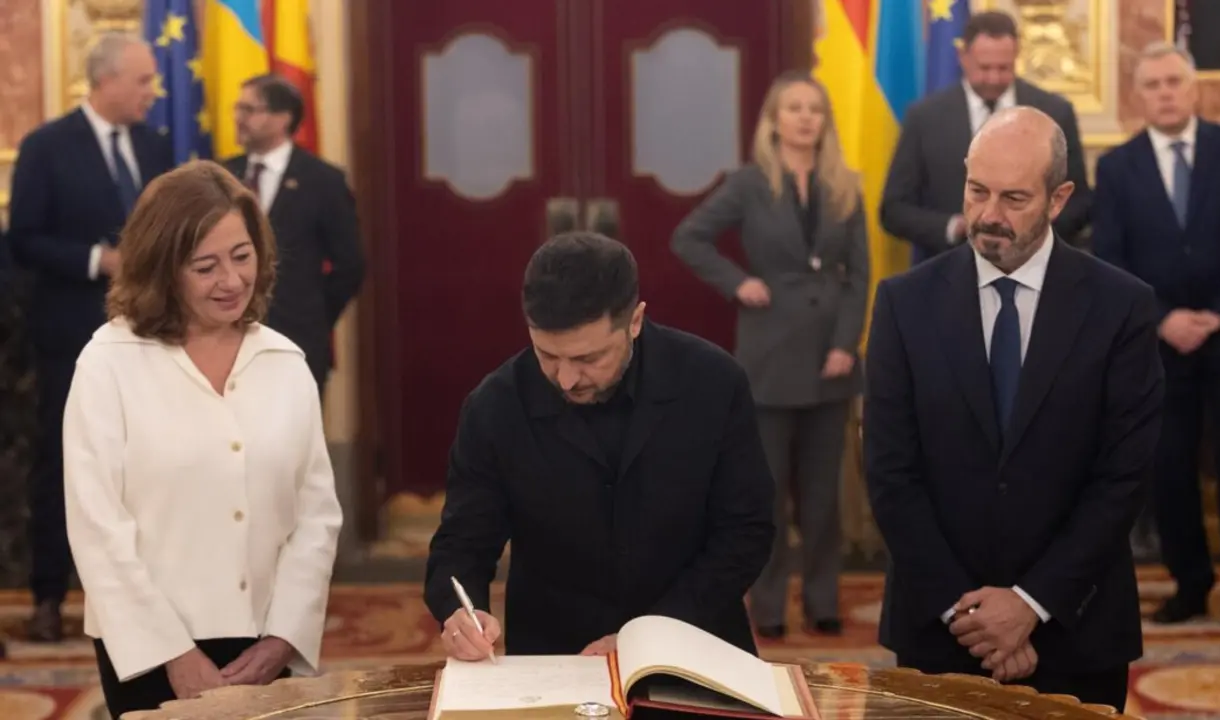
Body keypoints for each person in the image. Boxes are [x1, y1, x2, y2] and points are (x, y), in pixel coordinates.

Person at [863, 106, 1164, 712]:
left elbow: (1122, 477)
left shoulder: (1121, 307)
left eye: (1015, 198)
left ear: (1059, 199)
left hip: (1076, 627)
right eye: (977, 191)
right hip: (940, 631)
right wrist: (967, 614)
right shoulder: (903, 303)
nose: (989, 215)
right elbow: (891, 473)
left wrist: (1031, 604)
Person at [62, 161, 343, 719]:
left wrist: (283, 637)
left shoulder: (285, 363)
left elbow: (316, 516)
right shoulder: (108, 363)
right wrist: (173, 653)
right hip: (145, 649)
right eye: (205, 267)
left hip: (265, 646)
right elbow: (97, 527)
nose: (232, 280)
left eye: (242, 256)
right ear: (162, 269)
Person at [424, 231, 775, 660]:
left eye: (588, 359)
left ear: (635, 321)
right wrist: (461, 611)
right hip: (558, 655)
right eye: (547, 355)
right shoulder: (495, 406)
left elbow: (746, 532)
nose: (566, 379)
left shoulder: (712, 383)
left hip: (696, 638)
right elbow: (462, 543)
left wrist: (651, 634)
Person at [671, 70, 868, 639]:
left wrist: (845, 344)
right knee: (768, 494)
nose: (806, 118)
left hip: (830, 359)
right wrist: (737, 282)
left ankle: (823, 599)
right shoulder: (749, 182)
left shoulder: (845, 183)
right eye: (794, 108)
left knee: (823, 498)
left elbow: (860, 273)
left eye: (815, 109)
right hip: (770, 357)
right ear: (774, 120)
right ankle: (770, 605)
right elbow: (688, 237)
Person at [1092, 43, 1220, 637]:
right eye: (1153, 84)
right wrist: (1164, 317)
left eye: (1174, 81)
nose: (1166, 93)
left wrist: (1217, 314)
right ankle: (1190, 584)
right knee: (1169, 467)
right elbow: (1110, 257)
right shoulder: (1116, 168)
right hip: (1159, 345)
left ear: (1193, 88)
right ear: (1139, 96)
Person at [7, 31, 174, 641]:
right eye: (143, 81)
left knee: (152, 463)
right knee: (62, 463)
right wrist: (95, 260)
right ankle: (50, 596)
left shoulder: (155, 147)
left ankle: (152, 595)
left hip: (152, 334)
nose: (154, 92)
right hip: (70, 334)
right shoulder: (48, 146)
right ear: (106, 81)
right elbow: (23, 239)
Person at [880, 10, 1091, 259]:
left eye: (1004, 68)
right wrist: (953, 227)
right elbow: (894, 209)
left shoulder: (1055, 112)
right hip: (948, 267)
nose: (993, 78)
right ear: (963, 57)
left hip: (1036, 265)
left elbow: (1079, 202)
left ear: (1016, 55)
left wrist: (1028, 229)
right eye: (985, 67)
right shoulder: (925, 117)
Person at [223, 74, 365, 394]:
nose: (238, 118)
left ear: (282, 118)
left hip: (298, 341)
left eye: (249, 109)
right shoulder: (222, 175)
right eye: (238, 108)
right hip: (227, 343)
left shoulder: (323, 180)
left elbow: (350, 264)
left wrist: (314, 314)